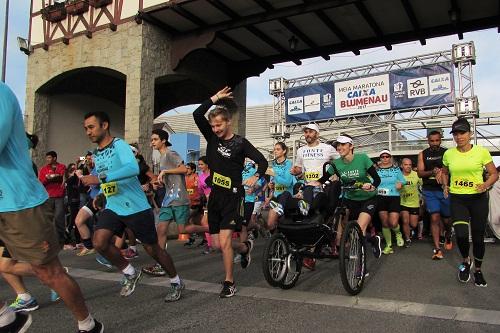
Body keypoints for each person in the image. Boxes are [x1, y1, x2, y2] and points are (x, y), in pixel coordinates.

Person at [0, 81, 103, 332]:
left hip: (19, 204)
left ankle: (88, 325)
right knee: (5, 265)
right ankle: (6, 316)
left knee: (48, 272)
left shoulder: (1, 94)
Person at [82, 111, 184, 302]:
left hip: (136, 207)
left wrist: (100, 178)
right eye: (85, 128)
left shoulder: (119, 145)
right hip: (114, 206)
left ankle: (176, 281)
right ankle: (130, 272)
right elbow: (112, 177)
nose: (88, 132)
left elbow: (132, 169)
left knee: (153, 250)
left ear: (104, 126)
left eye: (91, 127)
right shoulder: (97, 153)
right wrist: (103, 194)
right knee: (99, 242)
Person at [193, 86, 268, 298]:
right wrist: (215, 98)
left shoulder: (240, 143)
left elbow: (262, 160)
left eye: (219, 125)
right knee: (217, 244)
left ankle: (229, 282)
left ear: (228, 122)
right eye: (213, 125)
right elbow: (197, 114)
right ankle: (244, 248)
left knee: (225, 242)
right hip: (215, 196)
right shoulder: (212, 138)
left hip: (234, 196)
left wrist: (256, 176)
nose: (215, 129)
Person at [442, 117, 498, 287]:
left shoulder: (482, 152)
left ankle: (478, 270)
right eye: (456, 134)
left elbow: (494, 174)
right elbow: (445, 171)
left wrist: (486, 184)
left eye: (463, 133)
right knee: (460, 235)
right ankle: (466, 261)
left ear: (470, 134)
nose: (459, 137)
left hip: (477, 199)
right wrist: (445, 185)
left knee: (478, 237)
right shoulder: (448, 154)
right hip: (458, 199)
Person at [318, 134, 382, 259]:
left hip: (368, 198)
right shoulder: (336, 164)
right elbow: (322, 179)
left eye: (343, 145)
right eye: (338, 145)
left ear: (351, 146)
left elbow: (377, 179)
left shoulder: (362, 158)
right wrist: (308, 185)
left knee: (360, 227)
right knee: (347, 229)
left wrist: (372, 186)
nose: (339, 147)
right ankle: (372, 239)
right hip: (350, 199)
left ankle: (360, 267)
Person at [142, 129, 189, 277]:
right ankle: (160, 264)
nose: (152, 143)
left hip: (179, 198)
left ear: (163, 140)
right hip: (168, 199)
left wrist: (166, 172)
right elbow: (169, 180)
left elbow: (184, 169)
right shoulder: (162, 158)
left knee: (183, 230)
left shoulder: (170, 154)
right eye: (152, 140)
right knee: (160, 231)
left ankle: (210, 228)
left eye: (155, 139)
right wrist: (158, 183)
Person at [417, 129, 452, 260]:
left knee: (447, 219)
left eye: (437, 140)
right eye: (432, 141)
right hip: (429, 190)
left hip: (444, 190)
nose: (434, 143)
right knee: (434, 218)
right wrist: (432, 172)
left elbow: (451, 168)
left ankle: (448, 233)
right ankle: (437, 249)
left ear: (440, 140)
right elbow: (420, 173)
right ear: (428, 140)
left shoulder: (447, 153)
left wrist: (441, 172)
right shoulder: (422, 154)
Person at [376, 150, 406, 255]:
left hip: (394, 197)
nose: (385, 158)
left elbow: (403, 180)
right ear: (380, 158)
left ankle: (398, 233)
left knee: (393, 223)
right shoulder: (376, 170)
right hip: (380, 197)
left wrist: (400, 184)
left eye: (387, 156)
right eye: (382, 157)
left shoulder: (396, 169)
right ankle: (388, 246)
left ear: (390, 157)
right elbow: (372, 181)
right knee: (384, 222)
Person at [38, 150, 67, 246]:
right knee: (47, 218)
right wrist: (47, 178)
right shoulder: (43, 169)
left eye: (49, 157)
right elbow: (41, 182)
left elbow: (62, 177)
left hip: (59, 196)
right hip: (48, 197)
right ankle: (48, 240)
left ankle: (61, 240)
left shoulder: (62, 166)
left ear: (54, 158)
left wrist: (53, 177)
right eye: (47, 158)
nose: (47, 159)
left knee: (59, 218)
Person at [266, 142, 295, 231]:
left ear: (284, 151)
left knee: (284, 223)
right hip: (276, 196)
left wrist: (275, 175)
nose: (275, 151)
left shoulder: (288, 164)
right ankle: (276, 241)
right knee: (270, 224)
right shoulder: (273, 164)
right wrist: (270, 185)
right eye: (274, 149)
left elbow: (287, 183)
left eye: (278, 149)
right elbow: (273, 182)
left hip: (286, 197)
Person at [400, 158, 422, 247]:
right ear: (402, 166)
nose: (408, 166)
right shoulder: (398, 175)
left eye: (410, 165)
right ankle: (407, 238)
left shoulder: (416, 175)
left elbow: (422, 186)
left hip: (414, 203)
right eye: (406, 164)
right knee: (405, 221)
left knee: (413, 224)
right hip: (402, 202)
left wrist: (422, 198)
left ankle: (409, 230)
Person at [184, 162, 203, 246]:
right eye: (186, 168)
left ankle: (192, 237)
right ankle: (205, 238)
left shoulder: (197, 178)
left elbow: (201, 190)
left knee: (186, 219)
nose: (186, 170)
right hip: (188, 203)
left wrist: (198, 197)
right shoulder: (185, 178)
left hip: (196, 203)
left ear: (193, 170)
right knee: (196, 222)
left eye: (188, 168)